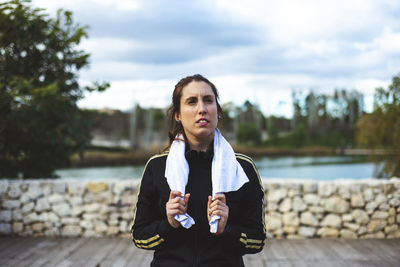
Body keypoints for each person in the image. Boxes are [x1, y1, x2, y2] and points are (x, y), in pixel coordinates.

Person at [131, 74, 266, 267]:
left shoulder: (242, 168)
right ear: (177, 114)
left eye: (208, 101)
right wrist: (169, 224)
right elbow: (139, 236)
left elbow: (257, 240)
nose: (201, 109)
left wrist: (225, 229)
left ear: (217, 111)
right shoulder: (157, 167)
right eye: (192, 102)